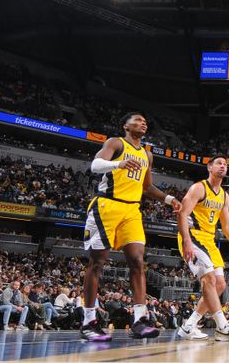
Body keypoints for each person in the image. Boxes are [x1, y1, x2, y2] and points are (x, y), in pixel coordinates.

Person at [81, 112, 182, 341]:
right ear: (125, 125)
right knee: (97, 262)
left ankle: (139, 319)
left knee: (138, 261)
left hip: (132, 210)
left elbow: (147, 187)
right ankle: (88, 321)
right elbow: (95, 165)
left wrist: (169, 199)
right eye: (137, 120)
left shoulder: (147, 154)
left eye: (145, 121)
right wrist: (119, 163)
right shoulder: (115, 142)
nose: (143, 122)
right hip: (107, 206)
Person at [176, 155, 229, 341]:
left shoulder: (224, 196)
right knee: (209, 279)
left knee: (220, 285)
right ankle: (223, 327)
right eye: (219, 163)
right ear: (209, 167)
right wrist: (186, 240)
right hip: (193, 237)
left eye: (225, 164)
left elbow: (226, 225)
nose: (223, 166)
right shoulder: (198, 188)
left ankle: (189, 326)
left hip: (209, 241)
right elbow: (182, 213)